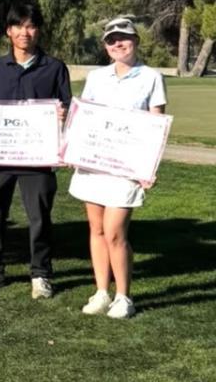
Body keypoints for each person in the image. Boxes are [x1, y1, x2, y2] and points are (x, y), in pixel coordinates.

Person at [0, 3, 71, 299]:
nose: (24, 32)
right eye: (18, 27)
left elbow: (67, 108)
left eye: (30, 26)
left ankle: (40, 274)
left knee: (39, 216)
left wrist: (64, 115)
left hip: (37, 159)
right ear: (9, 32)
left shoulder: (54, 68)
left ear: (37, 31)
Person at [68, 17, 166, 319]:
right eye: (111, 40)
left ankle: (123, 296)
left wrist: (149, 166)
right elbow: (85, 118)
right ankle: (101, 292)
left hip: (127, 167)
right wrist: (72, 148)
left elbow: (156, 124)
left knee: (114, 232)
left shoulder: (151, 76)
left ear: (135, 40)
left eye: (123, 38)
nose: (117, 44)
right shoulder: (97, 77)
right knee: (96, 229)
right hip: (94, 164)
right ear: (105, 46)